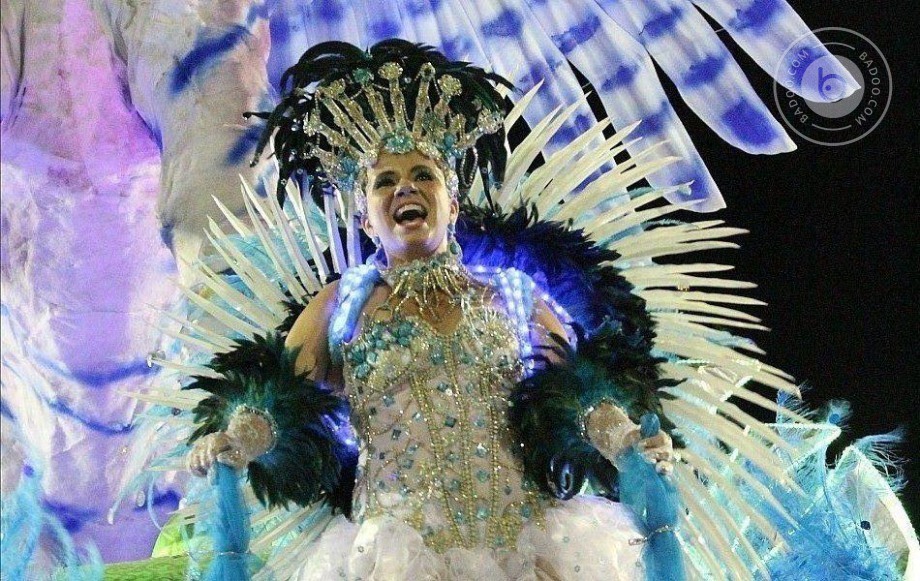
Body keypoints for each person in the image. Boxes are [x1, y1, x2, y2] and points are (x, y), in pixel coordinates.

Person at [174, 39, 914, 581]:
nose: (405, 188)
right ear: (365, 214)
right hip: (395, 553)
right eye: (384, 181)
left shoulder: (514, 292)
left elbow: (575, 396)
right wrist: (239, 437)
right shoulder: (339, 305)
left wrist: (622, 435)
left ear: (452, 198)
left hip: (533, 548)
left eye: (423, 173)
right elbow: (283, 398)